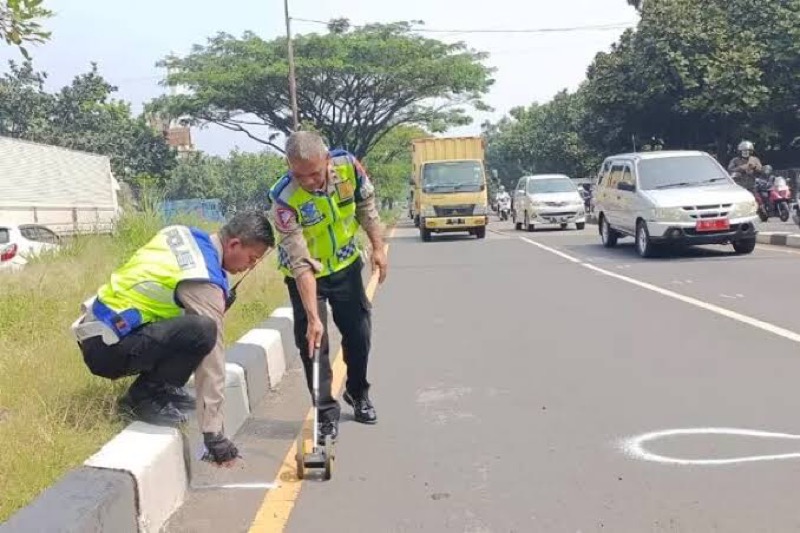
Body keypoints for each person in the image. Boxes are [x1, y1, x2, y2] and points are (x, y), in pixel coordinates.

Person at [72, 211, 274, 466]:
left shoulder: (183, 235)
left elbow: (163, 295)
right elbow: (212, 357)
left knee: (196, 326)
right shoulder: (204, 279)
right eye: (252, 258)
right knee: (204, 330)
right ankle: (145, 395)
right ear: (234, 244)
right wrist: (214, 433)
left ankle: (162, 388)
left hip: (98, 330)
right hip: (109, 349)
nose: (251, 266)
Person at [267, 130, 387, 444]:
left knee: (359, 332)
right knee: (313, 343)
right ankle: (324, 412)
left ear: (327, 159)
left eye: (315, 173)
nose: (308, 181)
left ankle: (358, 393)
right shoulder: (283, 198)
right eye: (299, 174)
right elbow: (300, 260)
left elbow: (366, 207)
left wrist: (378, 246)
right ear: (289, 166)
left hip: (345, 265)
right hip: (305, 273)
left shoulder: (348, 166)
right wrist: (313, 317)